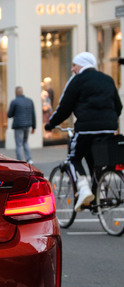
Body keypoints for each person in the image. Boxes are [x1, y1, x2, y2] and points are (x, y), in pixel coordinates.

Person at [45, 52, 123, 211]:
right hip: (108, 129)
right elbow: (119, 106)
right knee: (99, 162)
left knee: (73, 157)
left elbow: (64, 107)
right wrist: (109, 120)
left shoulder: (77, 80)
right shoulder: (108, 79)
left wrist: (50, 124)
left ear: (82, 64)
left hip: (86, 129)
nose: (72, 69)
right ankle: (98, 194)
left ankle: (84, 189)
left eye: (74, 65)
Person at [7, 86, 36, 164]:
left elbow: (9, 114)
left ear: (16, 93)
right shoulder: (30, 101)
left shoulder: (14, 102)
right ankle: (29, 159)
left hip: (18, 126)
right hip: (28, 125)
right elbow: (33, 114)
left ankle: (20, 160)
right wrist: (34, 127)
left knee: (19, 144)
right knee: (25, 142)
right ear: (22, 92)